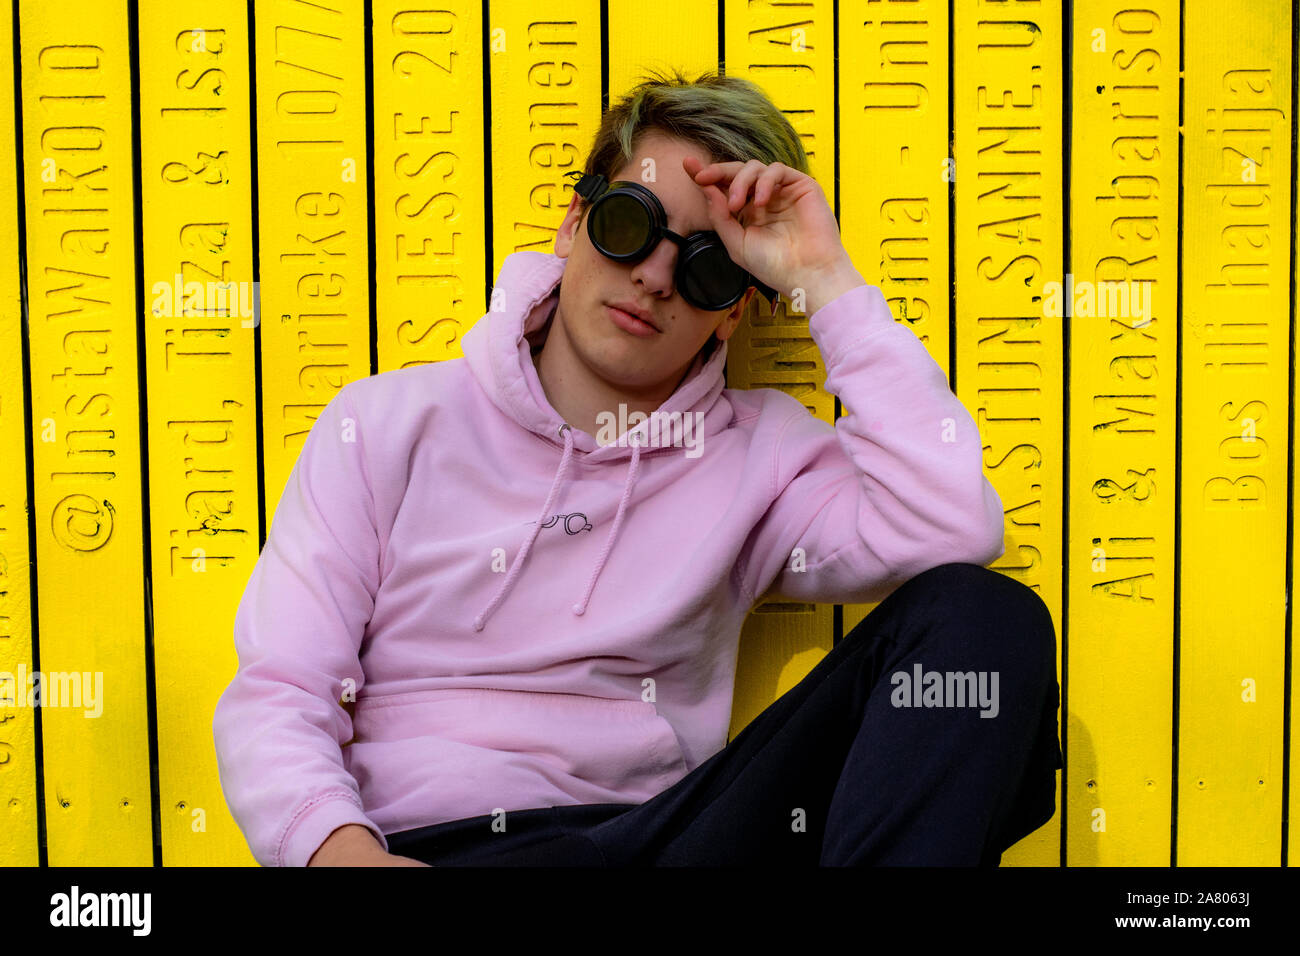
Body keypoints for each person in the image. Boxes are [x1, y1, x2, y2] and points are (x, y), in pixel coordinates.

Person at [212, 68, 1062, 868]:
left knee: (983, 629)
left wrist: (820, 279)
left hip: (661, 843)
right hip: (435, 846)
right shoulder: (387, 425)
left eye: (707, 266)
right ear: (574, 224)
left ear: (734, 315)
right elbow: (280, 690)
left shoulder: (758, 451)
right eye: (630, 225)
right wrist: (341, 855)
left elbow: (954, 526)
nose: (655, 276)